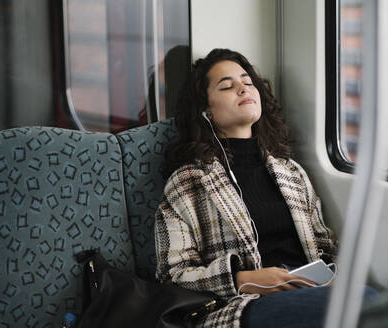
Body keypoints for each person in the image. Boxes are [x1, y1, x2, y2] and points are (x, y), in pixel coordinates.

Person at [155, 48, 375, 328]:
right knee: (368, 303)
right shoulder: (188, 181)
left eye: (248, 82)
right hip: (241, 305)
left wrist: (333, 277)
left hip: (307, 287)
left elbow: (324, 245)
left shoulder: (290, 172)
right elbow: (171, 274)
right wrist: (245, 280)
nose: (242, 89)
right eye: (227, 86)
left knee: (368, 302)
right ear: (206, 110)